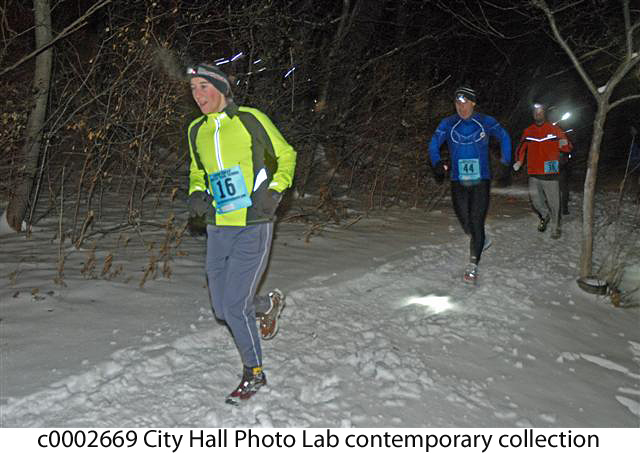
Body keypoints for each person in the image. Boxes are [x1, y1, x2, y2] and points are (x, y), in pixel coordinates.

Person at [186, 62, 297, 404]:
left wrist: (275, 191)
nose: (198, 94)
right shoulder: (196, 130)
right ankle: (267, 304)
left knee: (234, 306)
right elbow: (197, 170)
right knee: (222, 308)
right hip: (219, 228)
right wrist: (196, 193)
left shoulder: (250, 119)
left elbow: (287, 155)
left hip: (253, 225)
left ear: (221, 88)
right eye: (193, 88)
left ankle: (254, 373)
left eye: (204, 86)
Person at [428, 86, 512, 284]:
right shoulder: (448, 123)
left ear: (473, 103)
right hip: (458, 180)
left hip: (481, 179)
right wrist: (437, 163)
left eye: (465, 103)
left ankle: (473, 265)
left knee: (476, 220)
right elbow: (433, 144)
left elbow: (504, 137)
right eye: (458, 103)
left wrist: (505, 162)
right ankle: (481, 238)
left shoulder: (485, 121)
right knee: (465, 220)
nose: (461, 107)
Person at [513, 103, 572, 239]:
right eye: (536, 112)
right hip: (534, 171)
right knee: (536, 201)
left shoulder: (554, 129)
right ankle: (545, 215)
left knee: (554, 201)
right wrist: (519, 161)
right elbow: (521, 148)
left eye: (540, 112)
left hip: (550, 168)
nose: (538, 114)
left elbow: (567, 146)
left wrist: (565, 145)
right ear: (533, 114)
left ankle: (556, 226)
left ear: (544, 113)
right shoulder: (528, 131)